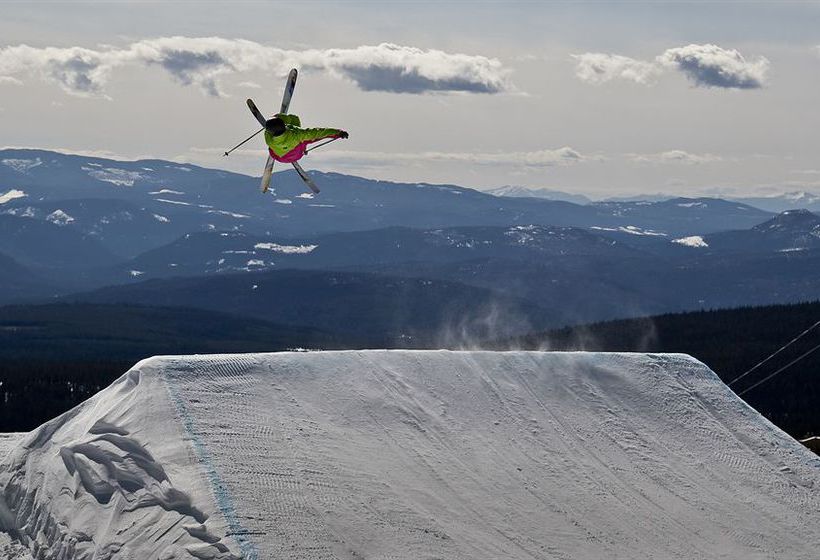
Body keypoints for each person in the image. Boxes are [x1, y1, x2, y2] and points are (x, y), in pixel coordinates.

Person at [264, 114, 348, 163]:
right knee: (294, 118)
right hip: (296, 156)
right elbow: (319, 133)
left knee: (273, 147)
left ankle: (278, 116)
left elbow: (269, 130)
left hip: (278, 157)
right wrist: (339, 133)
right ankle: (280, 117)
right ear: (284, 126)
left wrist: (274, 118)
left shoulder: (268, 137)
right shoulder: (298, 134)